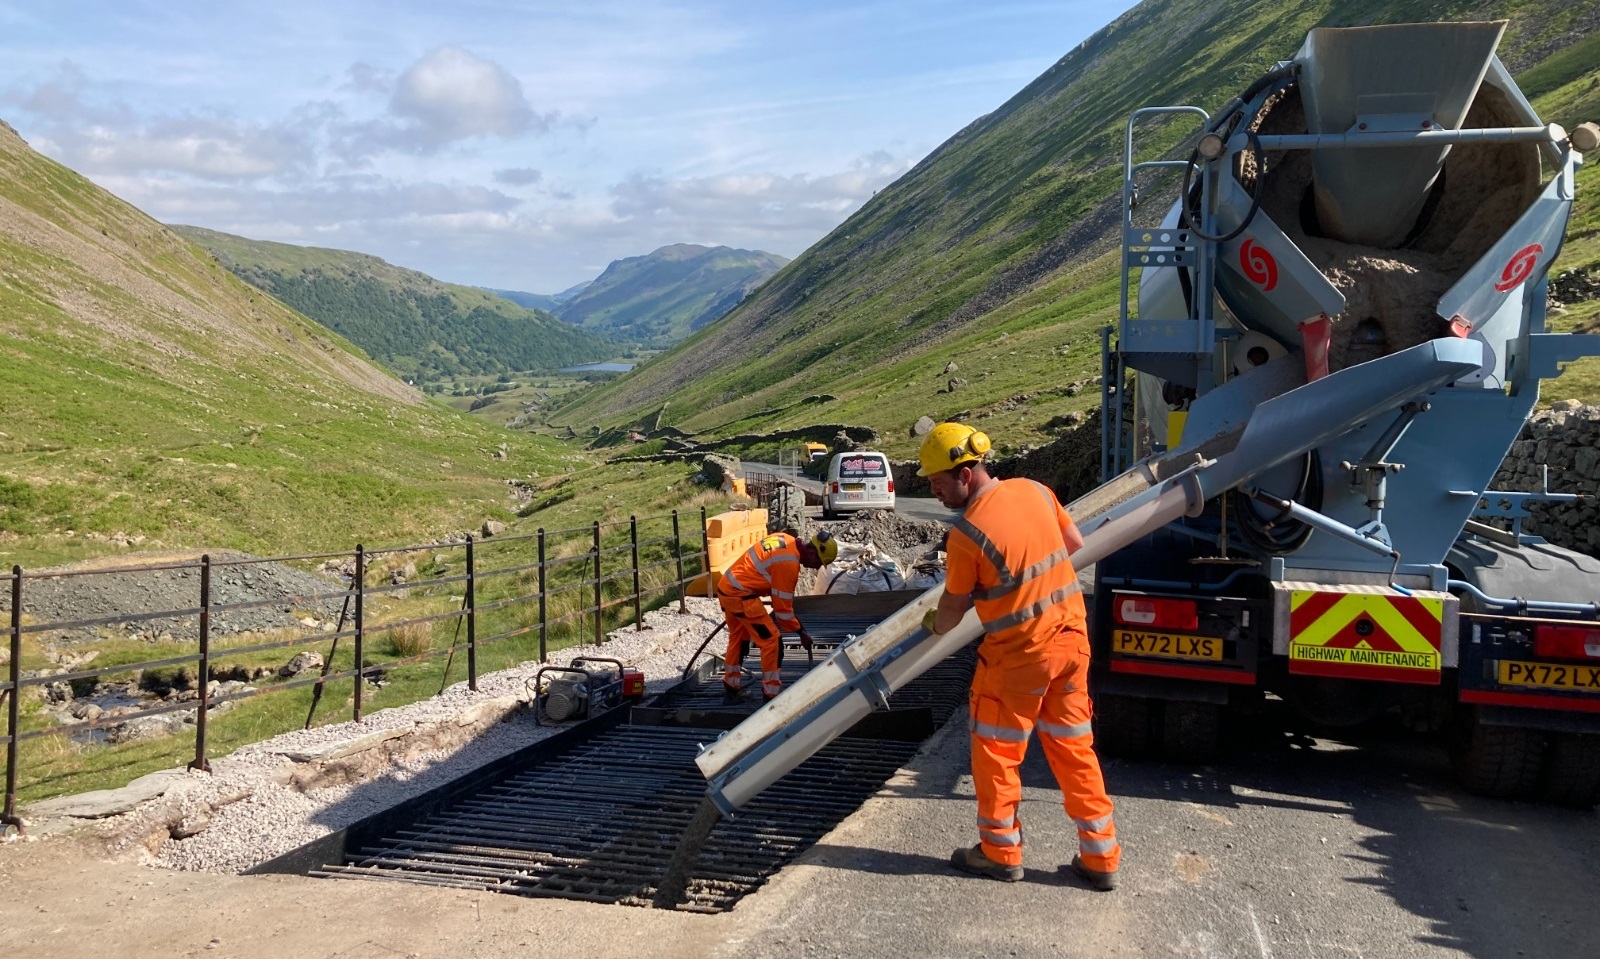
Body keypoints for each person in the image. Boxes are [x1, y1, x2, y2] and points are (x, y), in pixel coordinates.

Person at [917, 422, 1121, 890]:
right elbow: (1072, 546)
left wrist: (935, 625)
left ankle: (999, 852)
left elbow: (951, 610)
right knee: (1074, 751)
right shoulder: (1034, 489)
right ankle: (1101, 857)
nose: (937, 494)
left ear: (964, 473)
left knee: (996, 752)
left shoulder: (966, 535)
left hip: (1019, 656)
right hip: (1071, 640)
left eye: (939, 484)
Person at [717, 529, 838, 701]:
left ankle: (731, 687)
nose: (817, 567)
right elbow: (783, 611)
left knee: (739, 637)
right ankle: (771, 697)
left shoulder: (785, 539)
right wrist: (801, 633)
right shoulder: (789, 564)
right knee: (771, 641)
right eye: (819, 561)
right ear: (812, 550)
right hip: (741, 596)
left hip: (727, 587)